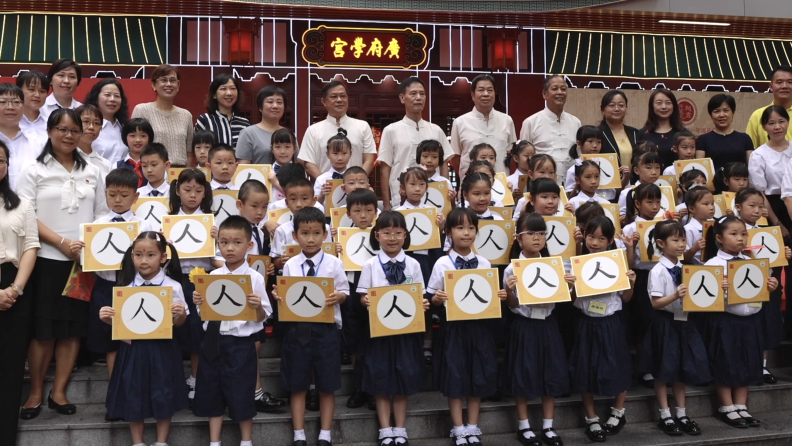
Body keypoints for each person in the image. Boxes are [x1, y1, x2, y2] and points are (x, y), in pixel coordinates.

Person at [17, 108, 108, 420]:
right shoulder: (33, 169)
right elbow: (26, 215)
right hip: (44, 259)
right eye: (62, 129)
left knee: (71, 331)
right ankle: (35, 392)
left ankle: (60, 391)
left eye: (74, 130)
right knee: (43, 331)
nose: (68, 135)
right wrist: (61, 242)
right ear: (50, 131)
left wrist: (88, 248)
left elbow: (101, 214)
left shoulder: (93, 170)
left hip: (81, 263)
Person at [101, 232, 188, 446]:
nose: (144, 260)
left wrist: (182, 314)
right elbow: (123, 324)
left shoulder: (173, 287)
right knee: (134, 392)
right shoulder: (125, 286)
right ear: (132, 257)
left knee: (163, 391)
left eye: (150, 255)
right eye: (138, 254)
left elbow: (178, 324)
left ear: (163, 257)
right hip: (133, 349)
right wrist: (107, 319)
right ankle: (137, 442)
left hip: (163, 347)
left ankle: (161, 441)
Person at [428, 208, 507, 446]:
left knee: (478, 373)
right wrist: (438, 299)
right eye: (460, 228)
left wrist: (500, 295)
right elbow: (431, 298)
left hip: (479, 329)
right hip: (453, 329)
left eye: (471, 228)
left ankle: (473, 426)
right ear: (449, 232)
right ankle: (458, 427)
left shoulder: (483, 262)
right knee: (455, 375)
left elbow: (489, 295)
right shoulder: (442, 262)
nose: (466, 233)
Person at [191, 216, 271, 446]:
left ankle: (246, 441)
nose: (230, 248)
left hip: (240, 343)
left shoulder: (254, 278)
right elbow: (204, 315)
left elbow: (263, 316)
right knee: (211, 391)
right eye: (224, 242)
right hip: (213, 342)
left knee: (241, 392)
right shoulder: (211, 277)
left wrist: (257, 307)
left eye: (237, 242)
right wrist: (199, 301)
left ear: (249, 245)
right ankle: (214, 442)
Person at [273, 206, 349, 446]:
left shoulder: (334, 263)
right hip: (298, 329)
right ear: (295, 236)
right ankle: (299, 434)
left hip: (326, 329)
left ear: (325, 234)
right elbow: (287, 297)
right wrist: (279, 296)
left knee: (327, 384)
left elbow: (345, 291)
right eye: (305, 233)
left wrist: (340, 297)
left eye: (316, 233)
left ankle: (325, 434)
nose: (311, 239)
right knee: (298, 384)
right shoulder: (290, 265)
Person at [357, 211, 429, 446]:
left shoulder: (414, 264)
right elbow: (361, 295)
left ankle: (400, 428)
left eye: (398, 233)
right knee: (381, 378)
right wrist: (365, 301)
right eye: (386, 233)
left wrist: (424, 303)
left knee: (403, 377)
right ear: (377, 235)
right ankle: (385, 429)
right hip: (380, 333)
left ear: (405, 235)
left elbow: (419, 295)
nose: (392, 238)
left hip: (406, 332)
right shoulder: (370, 264)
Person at [503, 213, 572, 446]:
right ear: (518, 239)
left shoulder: (555, 265)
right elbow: (512, 307)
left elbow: (562, 300)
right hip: (524, 325)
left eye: (541, 233)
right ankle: (524, 426)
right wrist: (509, 291)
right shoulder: (511, 269)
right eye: (530, 233)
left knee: (550, 372)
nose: (536, 238)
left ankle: (548, 426)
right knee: (523, 373)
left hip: (548, 323)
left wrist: (569, 286)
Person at [703, 216, 776, 428]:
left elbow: (761, 288)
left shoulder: (751, 262)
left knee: (747, 360)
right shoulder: (713, 264)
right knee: (727, 360)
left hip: (750, 319)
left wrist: (769, 285)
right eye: (733, 234)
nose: (740, 238)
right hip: (726, 320)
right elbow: (704, 298)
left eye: (743, 233)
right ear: (719, 238)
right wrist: (720, 289)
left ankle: (741, 405)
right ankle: (727, 406)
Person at [640, 221, 711, 436]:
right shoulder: (658, 270)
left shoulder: (686, 269)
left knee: (682, 369)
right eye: (676, 240)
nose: (681, 244)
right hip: (665, 323)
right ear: (661, 243)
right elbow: (656, 303)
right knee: (663, 371)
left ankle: (681, 413)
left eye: (683, 240)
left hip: (685, 322)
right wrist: (675, 295)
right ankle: (665, 415)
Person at [570, 217, 635, 442]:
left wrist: (631, 282)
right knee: (585, 367)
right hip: (586, 322)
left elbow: (626, 298)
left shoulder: (617, 263)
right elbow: (572, 299)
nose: (595, 242)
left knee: (619, 363)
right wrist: (573, 284)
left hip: (610, 321)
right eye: (591, 237)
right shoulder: (577, 262)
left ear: (609, 241)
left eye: (601, 238)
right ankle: (591, 417)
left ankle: (618, 411)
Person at [87, 168, 153, 392]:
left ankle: (137, 391)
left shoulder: (145, 227)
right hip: (105, 287)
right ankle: (117, 394)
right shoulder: (95, 227)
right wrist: (80, 251)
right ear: (105, 193)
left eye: (124, 196)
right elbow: (89, 261)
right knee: (110, 342)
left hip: (135, 286)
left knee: (136, 340)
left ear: (136, 197)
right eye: (112, 194)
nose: (117, 200)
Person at [0, 141, 39, 444]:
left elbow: (30, 247)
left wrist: (15, 289)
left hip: (16, 287)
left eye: (1, 160)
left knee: (11, 368)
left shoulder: (22, 203)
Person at [168, 168, 215, 407]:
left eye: (198, 190)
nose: (192, 195)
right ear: (177, 191)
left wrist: (218, 238)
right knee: (174, 330)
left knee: (198, 331)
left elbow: (218, 260)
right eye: (187, 190)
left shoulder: (211, 220)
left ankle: (196, 380)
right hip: (173, 279)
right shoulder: (167, 220)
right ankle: (175, 381)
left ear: (205, 192)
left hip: (201, 279)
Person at [379, 76, 453, 210]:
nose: (418, 97)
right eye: (413, 93)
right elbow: (385, 169)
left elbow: (443, 165)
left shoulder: (436, 130)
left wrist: (445, 195)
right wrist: (386, 204)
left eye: (422, 94)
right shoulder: (391, 130)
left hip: (433, 200)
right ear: (402, 98)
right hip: (400, 199)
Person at [299, 81, 376, 180]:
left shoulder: (363, 126)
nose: (339, 100)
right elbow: (308, 163)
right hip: (325, 191)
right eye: (334, 96)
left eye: (343, 96)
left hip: (356, 191)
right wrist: (326, 183)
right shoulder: (313, 130)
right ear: (324, 101)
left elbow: (369, 160)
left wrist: (356, 182)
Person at [451, 74, 516, 180]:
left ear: (495, 94)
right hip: (471, 187)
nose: (486, 94)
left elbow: (511, 156)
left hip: (501, 186)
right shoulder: (460, 122)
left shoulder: (507, 120)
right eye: (481, 90)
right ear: (473, 95)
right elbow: (455, 158)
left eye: (490, 90)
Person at [520, 75, 581, 180]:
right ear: (544, 94)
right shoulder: (531, 122)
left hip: (571, 184)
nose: (560, 92)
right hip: (543, 184)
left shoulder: (576, 122)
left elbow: (580, 155)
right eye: (554, 88)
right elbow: (524, 159)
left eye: (563, 89)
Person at [131, 64, 194, 167]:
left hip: (180, 174)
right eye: (163, 80)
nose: (168, 84)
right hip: (152, 173)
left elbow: (189, 153)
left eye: (172, 80)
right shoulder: (142, 110)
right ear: (154, 85)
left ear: (178, 85)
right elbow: (135, 148)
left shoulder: (186, 115)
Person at [271, 177, 332, 270]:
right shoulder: (281, 230)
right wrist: (281, 261)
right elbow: (275, 261)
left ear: (314, 201)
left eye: (304, 198)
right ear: (287, 202)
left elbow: (330, 254)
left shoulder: (326, 228)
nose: (299, 204)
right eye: (293, 199)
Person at [751, 106, 792, 235]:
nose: (777, 127)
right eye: (771, 123)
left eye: (781, 121)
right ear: (764, 127)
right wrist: (777, 223)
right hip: (773, 207)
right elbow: (760, 193)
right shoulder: (759, 155)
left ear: (788, 122)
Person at [0, 83, 46, 190]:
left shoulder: (38, 145)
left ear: (23, 106)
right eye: (3, 102)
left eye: (16, 102)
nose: (10, 107)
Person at [696, 94, 754, 170]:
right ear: (711, 116)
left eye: (726, 110)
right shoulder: (702, 140)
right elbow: (699, 170)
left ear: (732, 113)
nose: (721, 115)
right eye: (716, 111)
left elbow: (751, 168)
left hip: (739, 181)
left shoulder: (745, 138)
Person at [195, 73, 250, 149]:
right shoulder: (205, 120)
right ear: (214, 94)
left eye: (233, 89)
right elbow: (198, 149)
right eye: (223, 89)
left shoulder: (244, 123)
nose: (229, 93)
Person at [236, 86, 288, 165]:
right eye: (270, 102)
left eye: (279, 102)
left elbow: (297, 164)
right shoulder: (248, 133)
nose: (275, 106)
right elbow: (243, 168)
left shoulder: (289, 134)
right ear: (260, 107)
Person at [84, 79, 129, 165]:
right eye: (107, 95)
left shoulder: (124, 128)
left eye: (117, 96)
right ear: (96, 99)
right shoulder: (87, 127)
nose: (112, 99)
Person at [640, 89, 686, 169]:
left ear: (674, 106)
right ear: (652, 106)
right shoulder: (642, 134)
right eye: (659, 103)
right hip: (649, 181)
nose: (664, 107)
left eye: (668, 103)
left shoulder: (683, 134)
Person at [747, 65, 792, 148]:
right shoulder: (758, 116)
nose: (785, 86)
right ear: (771, 86)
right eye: (779, 82)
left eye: (790, 82)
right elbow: (750, 149)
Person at [598, 89, 642, 171]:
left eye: (621, 105)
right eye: (612, 105)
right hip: (609, 181)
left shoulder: (635, 133)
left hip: (634, 182)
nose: (617, 109)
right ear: (603, 110)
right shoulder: (597, 133)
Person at [314, 129, 352, 208]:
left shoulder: (355, 177)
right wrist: (322, 195)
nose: (340, 158)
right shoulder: (321, 179)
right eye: (335, 153)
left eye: (344, 153)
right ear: (328, 154)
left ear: (350, 154)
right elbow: (314, 206)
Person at [75, 104, 112, 179]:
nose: (91, 127)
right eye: (85, 121)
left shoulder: (105, 164)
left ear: (101, 129)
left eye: (96, 123)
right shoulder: (64, 158)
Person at [682, 187, 716, 265]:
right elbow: (683, 259)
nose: (711, 207)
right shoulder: (688, 229)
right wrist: (694, 248)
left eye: (712, 203)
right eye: (706, 204)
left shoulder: (715, 224)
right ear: (691, 208)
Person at [16, 70, 50, 139]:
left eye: (42, 91)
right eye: (31, 90)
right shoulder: (8, 123)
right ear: (19, 91)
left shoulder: (51, 124)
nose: (37, 95)